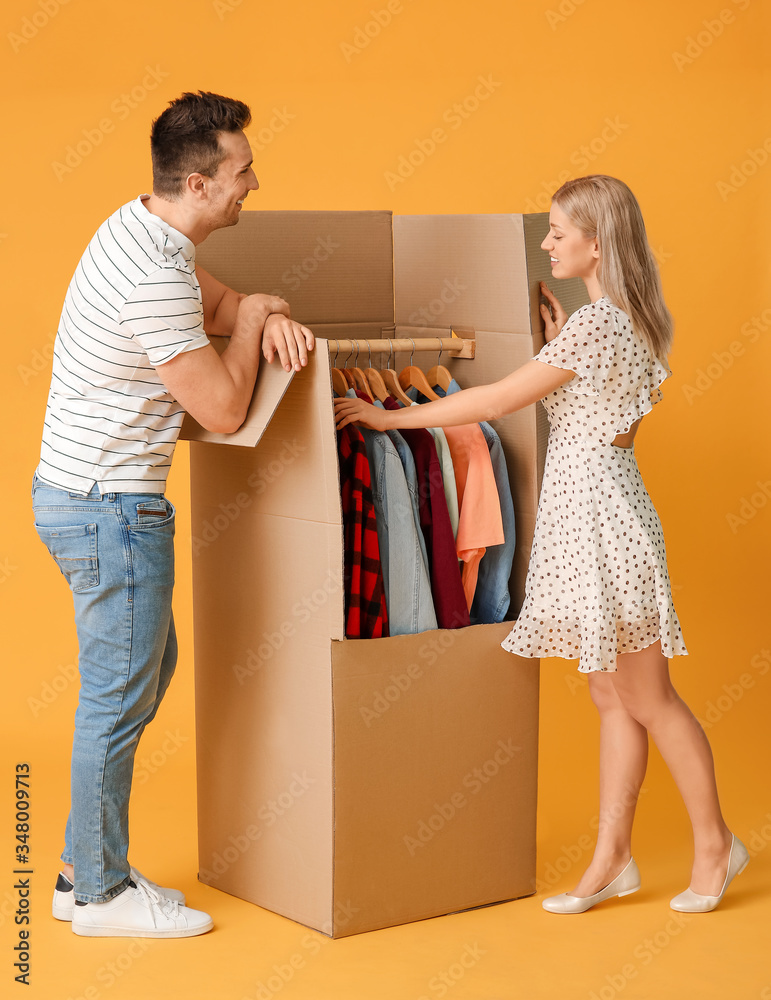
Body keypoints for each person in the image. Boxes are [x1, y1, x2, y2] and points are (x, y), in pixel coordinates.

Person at [334, 174, 748, 915]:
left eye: (559, 231)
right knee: (610, 693)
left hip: (600, 521)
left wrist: (385, 419)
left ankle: (715, 845)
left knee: (646, 695)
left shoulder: (598, 328)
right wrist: (559, 343)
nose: (547, 241)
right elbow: (609, 419)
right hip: (597, 512)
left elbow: (495, 400)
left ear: (597, 242)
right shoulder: (621, 323)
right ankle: (610, 859)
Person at [32, 91, 314, 938]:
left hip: (88, 498)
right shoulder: (154, 273)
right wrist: (257, 321)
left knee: (143, 678)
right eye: (240, 173)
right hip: (110, 509)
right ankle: (103, 898)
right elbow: (225, 412)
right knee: (117, 699)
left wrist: (251, 308)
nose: (252, 183)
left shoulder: (142, 227)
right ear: (197, 183)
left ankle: (83, 868)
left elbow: (222, 308)